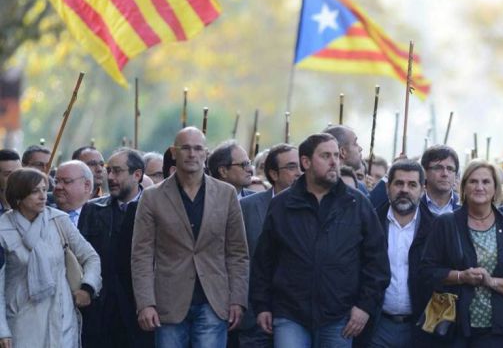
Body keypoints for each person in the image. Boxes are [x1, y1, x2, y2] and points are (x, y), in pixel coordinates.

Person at [250, 133, 389, 348]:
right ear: (306, 162)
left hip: (340, 316)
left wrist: (364, 307)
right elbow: (264, 261)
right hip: (290, 315)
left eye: (337, 155)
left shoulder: (357, 203)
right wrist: (262, 306)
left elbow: (377, 262)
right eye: (325, 156)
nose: (334, 161)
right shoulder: (282, 205)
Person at [131, 127, 250, 348]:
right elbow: (141, 255)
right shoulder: (152, 197)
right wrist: (145, 303)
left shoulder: (226, 194)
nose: (192, 154)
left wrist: (238, 299)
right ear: (174, 152)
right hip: (169, 302)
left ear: (205, 154)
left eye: (197, 148)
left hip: (214, 299)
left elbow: (238, 253)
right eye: (185, 148)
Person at [420, 159, 503, 347]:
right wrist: (461, 276)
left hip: (497, 330)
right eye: (473, 181)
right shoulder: (446, 223)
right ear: (463, 187)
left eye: (486, 182)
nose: (479, 187)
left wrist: (491, 282)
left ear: (495, 188)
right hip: (454, 327)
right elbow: (426, 271)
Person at [0, 168, 101, 347]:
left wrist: (88, 287)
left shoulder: (59, 220)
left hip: (61, 318)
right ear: (18, 196)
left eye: (43, 189)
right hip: (21, 320)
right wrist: (3, 330)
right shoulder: (3, 228)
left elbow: (91, 257)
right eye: (34, 191)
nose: (43, 196)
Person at [78, 148, 147, 348]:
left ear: (137, 174)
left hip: (138, 307)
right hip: (101, 309)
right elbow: (82, 257)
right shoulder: (93, 209)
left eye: (117, 171)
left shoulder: (154, 208)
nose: (110, 177)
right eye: (109, 171)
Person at [236, 144, 300, 348]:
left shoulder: (315, 208)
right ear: (273, 173)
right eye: (291, 167)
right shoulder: (247, 208)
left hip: (297, 316)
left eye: (301, 166)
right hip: (254, 317)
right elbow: (235, 257)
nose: (299, 173)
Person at [368, 160, 436, 348]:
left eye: (412, 184)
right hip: (377, 327)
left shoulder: (436, 229)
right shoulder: (370, 224)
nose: (404, 190)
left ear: (422, 190)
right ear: (388, 187)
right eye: (399, 183)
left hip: (421, 328)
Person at [420, 145, 461, 215]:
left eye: (450, 169)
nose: (445, 174)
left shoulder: (465, 208)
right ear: (425, 173)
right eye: (438, 168)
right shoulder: (415, 207)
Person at [53, 160, 95, 227]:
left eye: (66, 181)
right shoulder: (44, 215)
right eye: (56, 182)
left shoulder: (101, 217)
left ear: (86, 185)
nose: (58, 186)